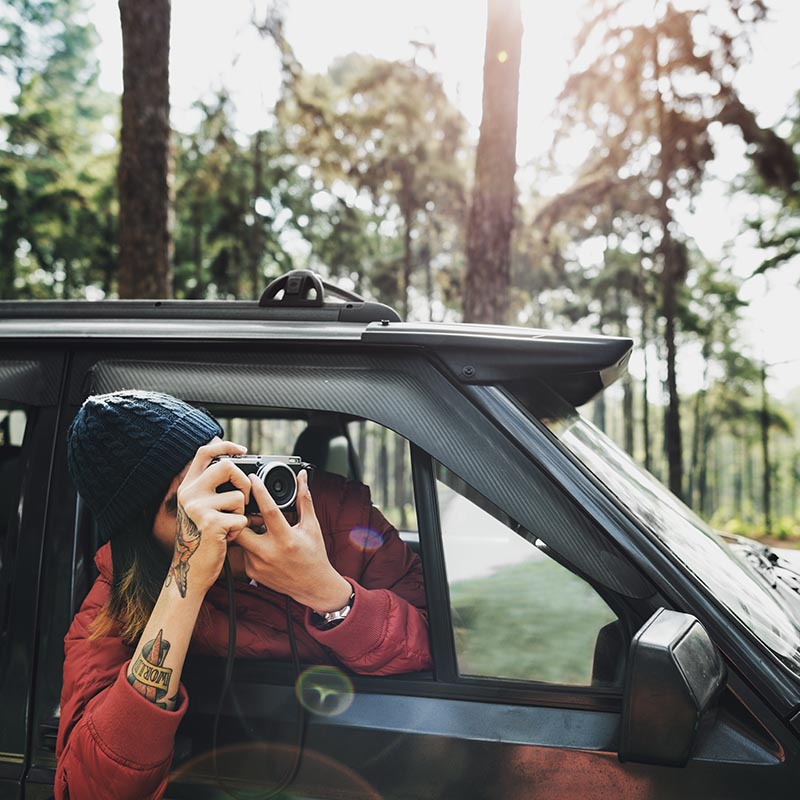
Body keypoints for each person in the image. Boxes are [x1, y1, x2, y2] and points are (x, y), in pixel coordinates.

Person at [55, 390, 430, 800]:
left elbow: (439, 646)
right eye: (185, 505)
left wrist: (326, 590)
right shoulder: (119, 594)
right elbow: (90, 788)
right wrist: (185, 580)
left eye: (218, 476)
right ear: (141, 535)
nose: (223, 506)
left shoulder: (332, 511)